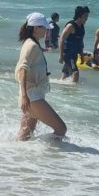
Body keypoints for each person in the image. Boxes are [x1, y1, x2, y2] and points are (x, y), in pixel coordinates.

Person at [15, 13, 66, 141]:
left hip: (32, 94)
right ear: (36, 28)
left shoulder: (33, 44)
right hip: (32, 96)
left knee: (25, 136)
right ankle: (45, 149)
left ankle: (13, 151)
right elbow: (22, 70)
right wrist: (24, 96)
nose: (46, 30)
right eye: (44, 27)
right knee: (61, 129)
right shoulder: (31, 45)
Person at [59, 6, 89, 83]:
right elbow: (62, 40)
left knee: (65, 75)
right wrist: (61, 55)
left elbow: (80, 42)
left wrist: (82, 55)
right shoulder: (71, 26)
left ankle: (60, 88)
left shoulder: (81, 26)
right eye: (85, 16)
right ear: (80, 16)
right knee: (75, 73)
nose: (87, 18)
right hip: (68, 54)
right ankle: (73, 90)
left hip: (74, 54)